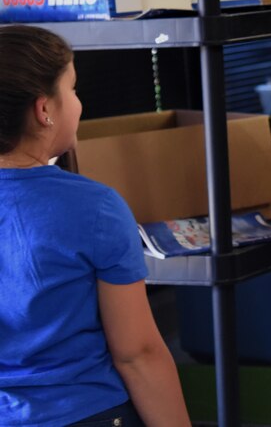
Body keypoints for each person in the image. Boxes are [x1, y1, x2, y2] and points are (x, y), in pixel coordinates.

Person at [0, 24, 190, 426]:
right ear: (44, 110)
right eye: (72, 89)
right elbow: (136, 354)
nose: (79, 103)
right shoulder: (95, 209)